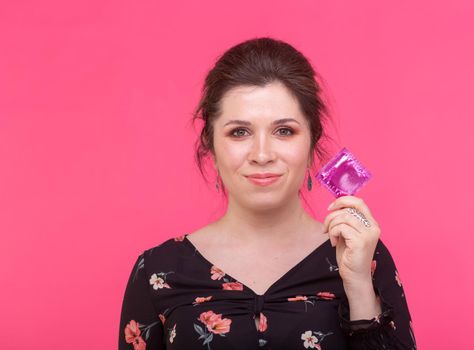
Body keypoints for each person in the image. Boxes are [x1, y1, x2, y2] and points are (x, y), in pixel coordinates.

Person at [118, 37, 417, 350]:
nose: (262, 154)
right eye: (240, 132)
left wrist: (357, 286)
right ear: (211, 144)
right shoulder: (158, 269)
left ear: (312, 141)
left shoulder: (364, 255)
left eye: (284, 131)